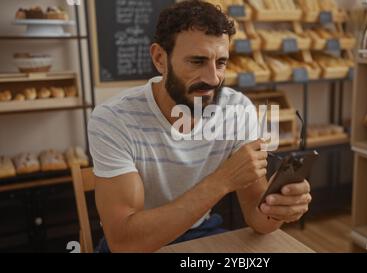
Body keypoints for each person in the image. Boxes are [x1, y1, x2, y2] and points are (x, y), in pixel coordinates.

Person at [88, 0, 312, 253]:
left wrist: (279, 207)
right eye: (197, 61)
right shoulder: (113, 119)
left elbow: (258, 219)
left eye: (221, 63)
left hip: (200, 234)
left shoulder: (237, 110)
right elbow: (125, 242)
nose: (213, 78)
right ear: (160, 58)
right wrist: (223, 180)